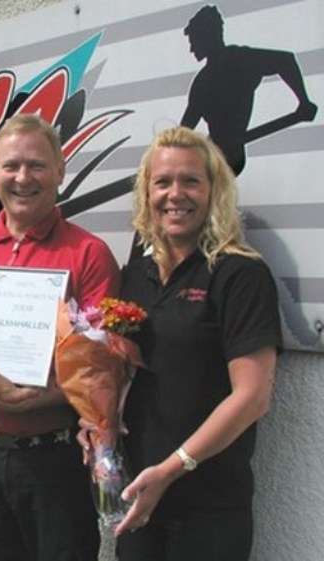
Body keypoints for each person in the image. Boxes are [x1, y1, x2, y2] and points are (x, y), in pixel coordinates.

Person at [0, 113, 120, 561]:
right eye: (11, 165)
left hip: (56, 459)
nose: (22, 178)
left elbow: (104, 365)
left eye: (36, 165)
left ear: (60, 170)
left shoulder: (89, 254)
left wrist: (33, 396)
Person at [113, 126, 282, 560]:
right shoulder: (136, 274)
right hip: (138, 494)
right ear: (146, 192)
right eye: (162, 182)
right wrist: (98, 422)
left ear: (213, 191)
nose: (175, 194)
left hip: (208, 506)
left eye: (191, 180)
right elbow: (125, 370)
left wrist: (172, 469)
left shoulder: (239, 274)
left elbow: (253, 397)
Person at [180, 4, 317, 175]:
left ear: (207, 37)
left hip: (227, 158)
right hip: (220, 156)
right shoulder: (206, 80)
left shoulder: (238, 63)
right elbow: (185, 130)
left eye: (194, 42)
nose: (192, 49)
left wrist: (304, 101)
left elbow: (286, 61)